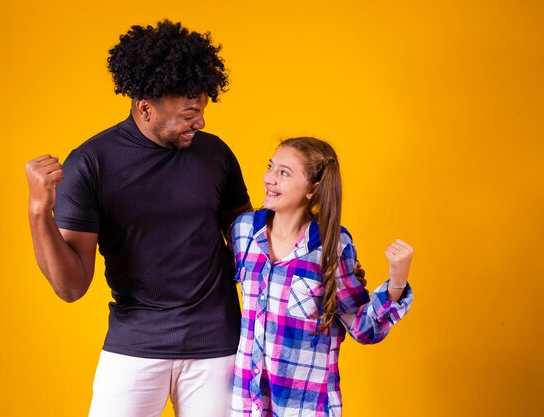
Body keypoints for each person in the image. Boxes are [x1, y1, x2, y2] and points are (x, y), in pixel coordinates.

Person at [25, 20, 253, 417]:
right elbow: (70, 287)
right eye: (188, 114)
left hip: (217, 346)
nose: (199, 122)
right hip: (136, 345)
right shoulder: (92, 163)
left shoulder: (215, 155)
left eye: (201, 111)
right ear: (145, 107)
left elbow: (252, 246)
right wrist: (38, 211)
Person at [229, 137, 414, 416]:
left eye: (284, 173)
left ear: (312, 189)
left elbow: (364, 328)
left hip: (306, 406)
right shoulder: (244, 231)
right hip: (247, 404)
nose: (269, 178)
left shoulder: (332, 245)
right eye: (271, 167)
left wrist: (397, 280)